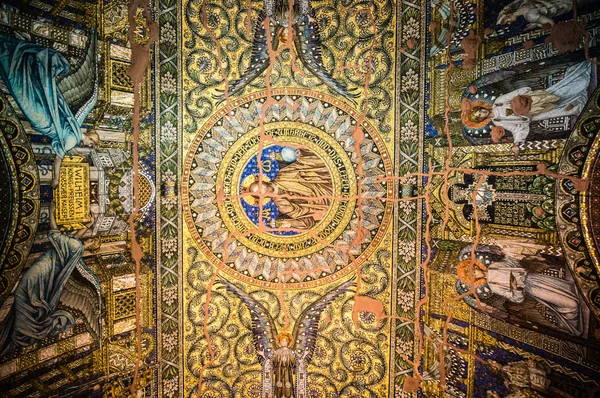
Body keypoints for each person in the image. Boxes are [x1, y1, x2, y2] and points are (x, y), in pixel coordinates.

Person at [0, 33, 100, 189]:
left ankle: (10, 58)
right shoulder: (72, 139)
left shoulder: (77, 122)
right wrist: (56, 178)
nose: (88, 146)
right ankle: (8, 58)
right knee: (21, 91)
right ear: (90, 139)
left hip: (45, 115)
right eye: (91, 143)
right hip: (43, 119)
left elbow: (91, 98)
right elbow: (58, 158)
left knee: (24, 90)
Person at [0, 201, 100, 355]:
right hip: (48, 266)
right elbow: (74, 237)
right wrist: (89, 224)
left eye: (93, 241)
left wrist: (51, 212)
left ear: (92, 247)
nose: (91, 238)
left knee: (22, 291)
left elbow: (55, 234)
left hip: (46, 267)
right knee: (24, 292)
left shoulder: (77, 248)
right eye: (92, 237)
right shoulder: (77, 248)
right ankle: (16, 326)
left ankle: (21, 325)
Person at [457, 244, 584, 336]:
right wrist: (516, 288)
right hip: (532, 289)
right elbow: (516, 299)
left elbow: (514, 263)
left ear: (476, 266)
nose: (475, 273)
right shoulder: (494, 286)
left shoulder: (495, 265)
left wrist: (511, 253)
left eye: (473, 270)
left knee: (571, 290)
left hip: (535, 278)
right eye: (472, 275)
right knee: (571, 304)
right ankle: (570, 322)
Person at [463, 62, 591, 144]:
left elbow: (516, 93)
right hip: (533, 114)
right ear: (482, 119)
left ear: (481, 107)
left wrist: (526, 94)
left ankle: (581, 82)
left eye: (480, 111)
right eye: (480, 115)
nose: (482, 113)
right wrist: (517, 143)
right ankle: (579, 103)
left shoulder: (498, 102)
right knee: (560, 109)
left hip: (533, 101)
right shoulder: (498, 122)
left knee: (559, 94)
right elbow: (517, 129)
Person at [244, 147, 333, 230]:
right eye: (259, 193)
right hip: (325, 202)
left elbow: (302, 165)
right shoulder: (282, 205)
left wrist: (300, 154)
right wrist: (291, 223)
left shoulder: (283, 173)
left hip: (326, 182)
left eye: (259, 187)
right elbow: (304, 218)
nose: (262, 190)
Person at [259, 331, 308, 398]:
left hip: (288, 373)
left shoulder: (291, 352)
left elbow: (297, 363)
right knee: (278, 387)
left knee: (288, 387)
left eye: (285, 341)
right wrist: (263, 355)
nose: (284, 342)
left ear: (288, 342)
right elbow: (270, 362)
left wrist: (304, 355)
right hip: (278, 373)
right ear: (279, 342)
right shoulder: (276, 352)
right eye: (282, 341)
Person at [496, 0, 573, 29]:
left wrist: (539, 24)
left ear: (509, 15)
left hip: (567, 4)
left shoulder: (529, 16)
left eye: (507, 21)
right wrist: (536, 23)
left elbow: (551, 23)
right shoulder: (524, 3)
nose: (509, 23)